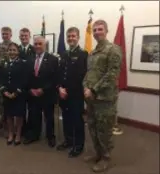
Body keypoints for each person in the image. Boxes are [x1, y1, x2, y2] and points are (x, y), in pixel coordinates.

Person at [83, 19, 122, 173]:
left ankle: (106, 158)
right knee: (92, 127)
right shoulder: (92, 53)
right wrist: (85, 86)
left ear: (106, 31)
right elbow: (89, 73)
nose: (97, 32)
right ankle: (98, 153)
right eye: (95, 30)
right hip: (91, 98)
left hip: (105, 99)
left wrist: (93, 89)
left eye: (100, 29)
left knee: (104, 130)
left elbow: (112, 74)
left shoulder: (113, 49)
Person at [56, 27, 88, 158]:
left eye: (73, 36)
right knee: (66, 119)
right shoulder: (64, 54)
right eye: (69, 36)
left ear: (78, 37)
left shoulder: (84, 54)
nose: (70, 38)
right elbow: (59, 74)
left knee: (77, 120)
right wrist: (59, 88)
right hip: (64, 93)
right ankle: (68, 140)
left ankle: (79, 145)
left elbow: (85, 76)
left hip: (76, 94)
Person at [23, 36, 58, 148]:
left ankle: (50, 136)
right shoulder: (30, 58)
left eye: (40, 44)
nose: (37, 46)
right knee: (34, 115)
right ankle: (34, 135)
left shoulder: (53, 59)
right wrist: (30, 89)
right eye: (36, 44)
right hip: (33, 94)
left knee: (49, 117)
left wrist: (43, 89)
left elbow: (55, 78)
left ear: (45, 45)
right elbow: (26, 76)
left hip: (47, 94)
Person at [0, 42, 28, 145]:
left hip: (19, 94)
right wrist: (4, 91)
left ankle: (18, 134)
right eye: (10, 50)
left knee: (19, 115)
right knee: (9, 115)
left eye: (14, 50)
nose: (12, 52)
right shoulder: (3, 63)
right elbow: (0, 79)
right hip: (6, 94)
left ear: (18, 52)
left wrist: (16, 92)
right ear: (7, 52)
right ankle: (11, 133)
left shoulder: (23, 63)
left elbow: (25, 80)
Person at [18, 28, 36, 136]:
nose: (24, 37)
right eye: (22, 36)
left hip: (31, 84)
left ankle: (31, 129)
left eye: (26, 36)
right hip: (20, 85)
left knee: (32, 109)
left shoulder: (35, 49)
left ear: (29, 37)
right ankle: (22, 129)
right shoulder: (15, 49)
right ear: (19, 37)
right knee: (21, 109)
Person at [0, 26, 13, 132]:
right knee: (1, 102)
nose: (5, 36)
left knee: (10, 102)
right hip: (1, 76)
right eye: (3, 34)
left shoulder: (14, 46)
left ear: (11, 35)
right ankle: (3, 122)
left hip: (11, 77)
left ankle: (10, 124)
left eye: (6, 34)